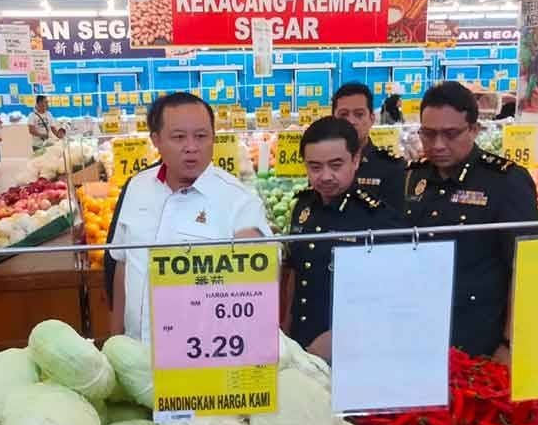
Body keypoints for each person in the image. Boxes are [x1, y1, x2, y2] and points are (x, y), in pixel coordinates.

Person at [106, 92, 272, 343]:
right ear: (156, 140)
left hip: (200, 359)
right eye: (179, 137)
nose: (192, 147)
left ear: (213, 138)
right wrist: (115, 340)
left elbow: (258, 286)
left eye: (201, 136)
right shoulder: (136, 187)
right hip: (135, 353)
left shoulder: (240, 202)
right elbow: (122, 264)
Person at [403, 81, 538, 359]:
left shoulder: (506, 181)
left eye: (450, 134)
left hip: (479, 336)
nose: (438, 144)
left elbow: (527, 268)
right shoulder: (412, 177)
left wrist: (510, 342)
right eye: (429, 134)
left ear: (474, 130)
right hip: (417, 329)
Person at [283, 117, 403, 361]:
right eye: (315, 167)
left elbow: (394, 297)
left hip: (353, 348)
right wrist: (286, 328)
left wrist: (342, 336)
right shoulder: (303, 207)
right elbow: (296, 272)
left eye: (335, 165)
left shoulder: (378, 219)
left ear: (356, 160)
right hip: (301, 342)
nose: (325, 176)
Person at [332, 82, 406, 211]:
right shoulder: (324, 165)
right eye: (343, 114)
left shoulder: (392, 167)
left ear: (372, 119)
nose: (351, 121)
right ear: (333, 119)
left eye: (359, 114)